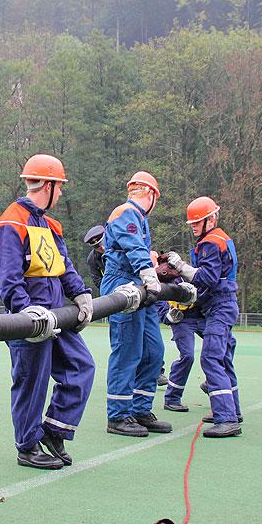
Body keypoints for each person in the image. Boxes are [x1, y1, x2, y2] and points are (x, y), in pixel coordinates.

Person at [0, 154, 96, 470]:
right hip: (29, 322)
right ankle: (27, 446)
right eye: (59, 187)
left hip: (57, 316)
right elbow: (8, 279)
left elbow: (64, 266)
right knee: (31, 382)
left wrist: (80, 293)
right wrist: (28, 314)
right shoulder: (10, 222)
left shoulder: (50, 224)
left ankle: (54, 431)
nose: (61, 194)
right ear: (46, 185)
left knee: (82, 367)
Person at [101, 171, 171, 437]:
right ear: (151, 194)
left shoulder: (139, 218)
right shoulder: (125, 212)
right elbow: (133, 247)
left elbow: (140, 250)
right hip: (124, 284)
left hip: (141, 287)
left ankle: (140, 408)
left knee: (154, 350)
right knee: (127, 350)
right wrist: (148, 273)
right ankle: (118, 414)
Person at [166, 196, 241, 438]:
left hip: (220, 306)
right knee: (224, 359)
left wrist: (181, 266)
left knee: (211, 358)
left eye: (198, 222)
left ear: (211, 219)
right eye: (193, 223)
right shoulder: (220, 240)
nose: (194, 227)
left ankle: (227, 418)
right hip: (221, 305)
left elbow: (207, 278)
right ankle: (232, 410)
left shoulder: (211, 243)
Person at [162, 300, 206, 413]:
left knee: (225, 345)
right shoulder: (167, 281)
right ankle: (172, 398)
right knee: (188, 356)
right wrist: (166, 315)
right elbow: (159, 295)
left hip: (203, 317)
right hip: (181, 319)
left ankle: (213, 384)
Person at [83, 225, 106, 293]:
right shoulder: (92, 258)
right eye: (97, 246)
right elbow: (97, 280)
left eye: (102, 243)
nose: (102, 248)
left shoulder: (118, 245)